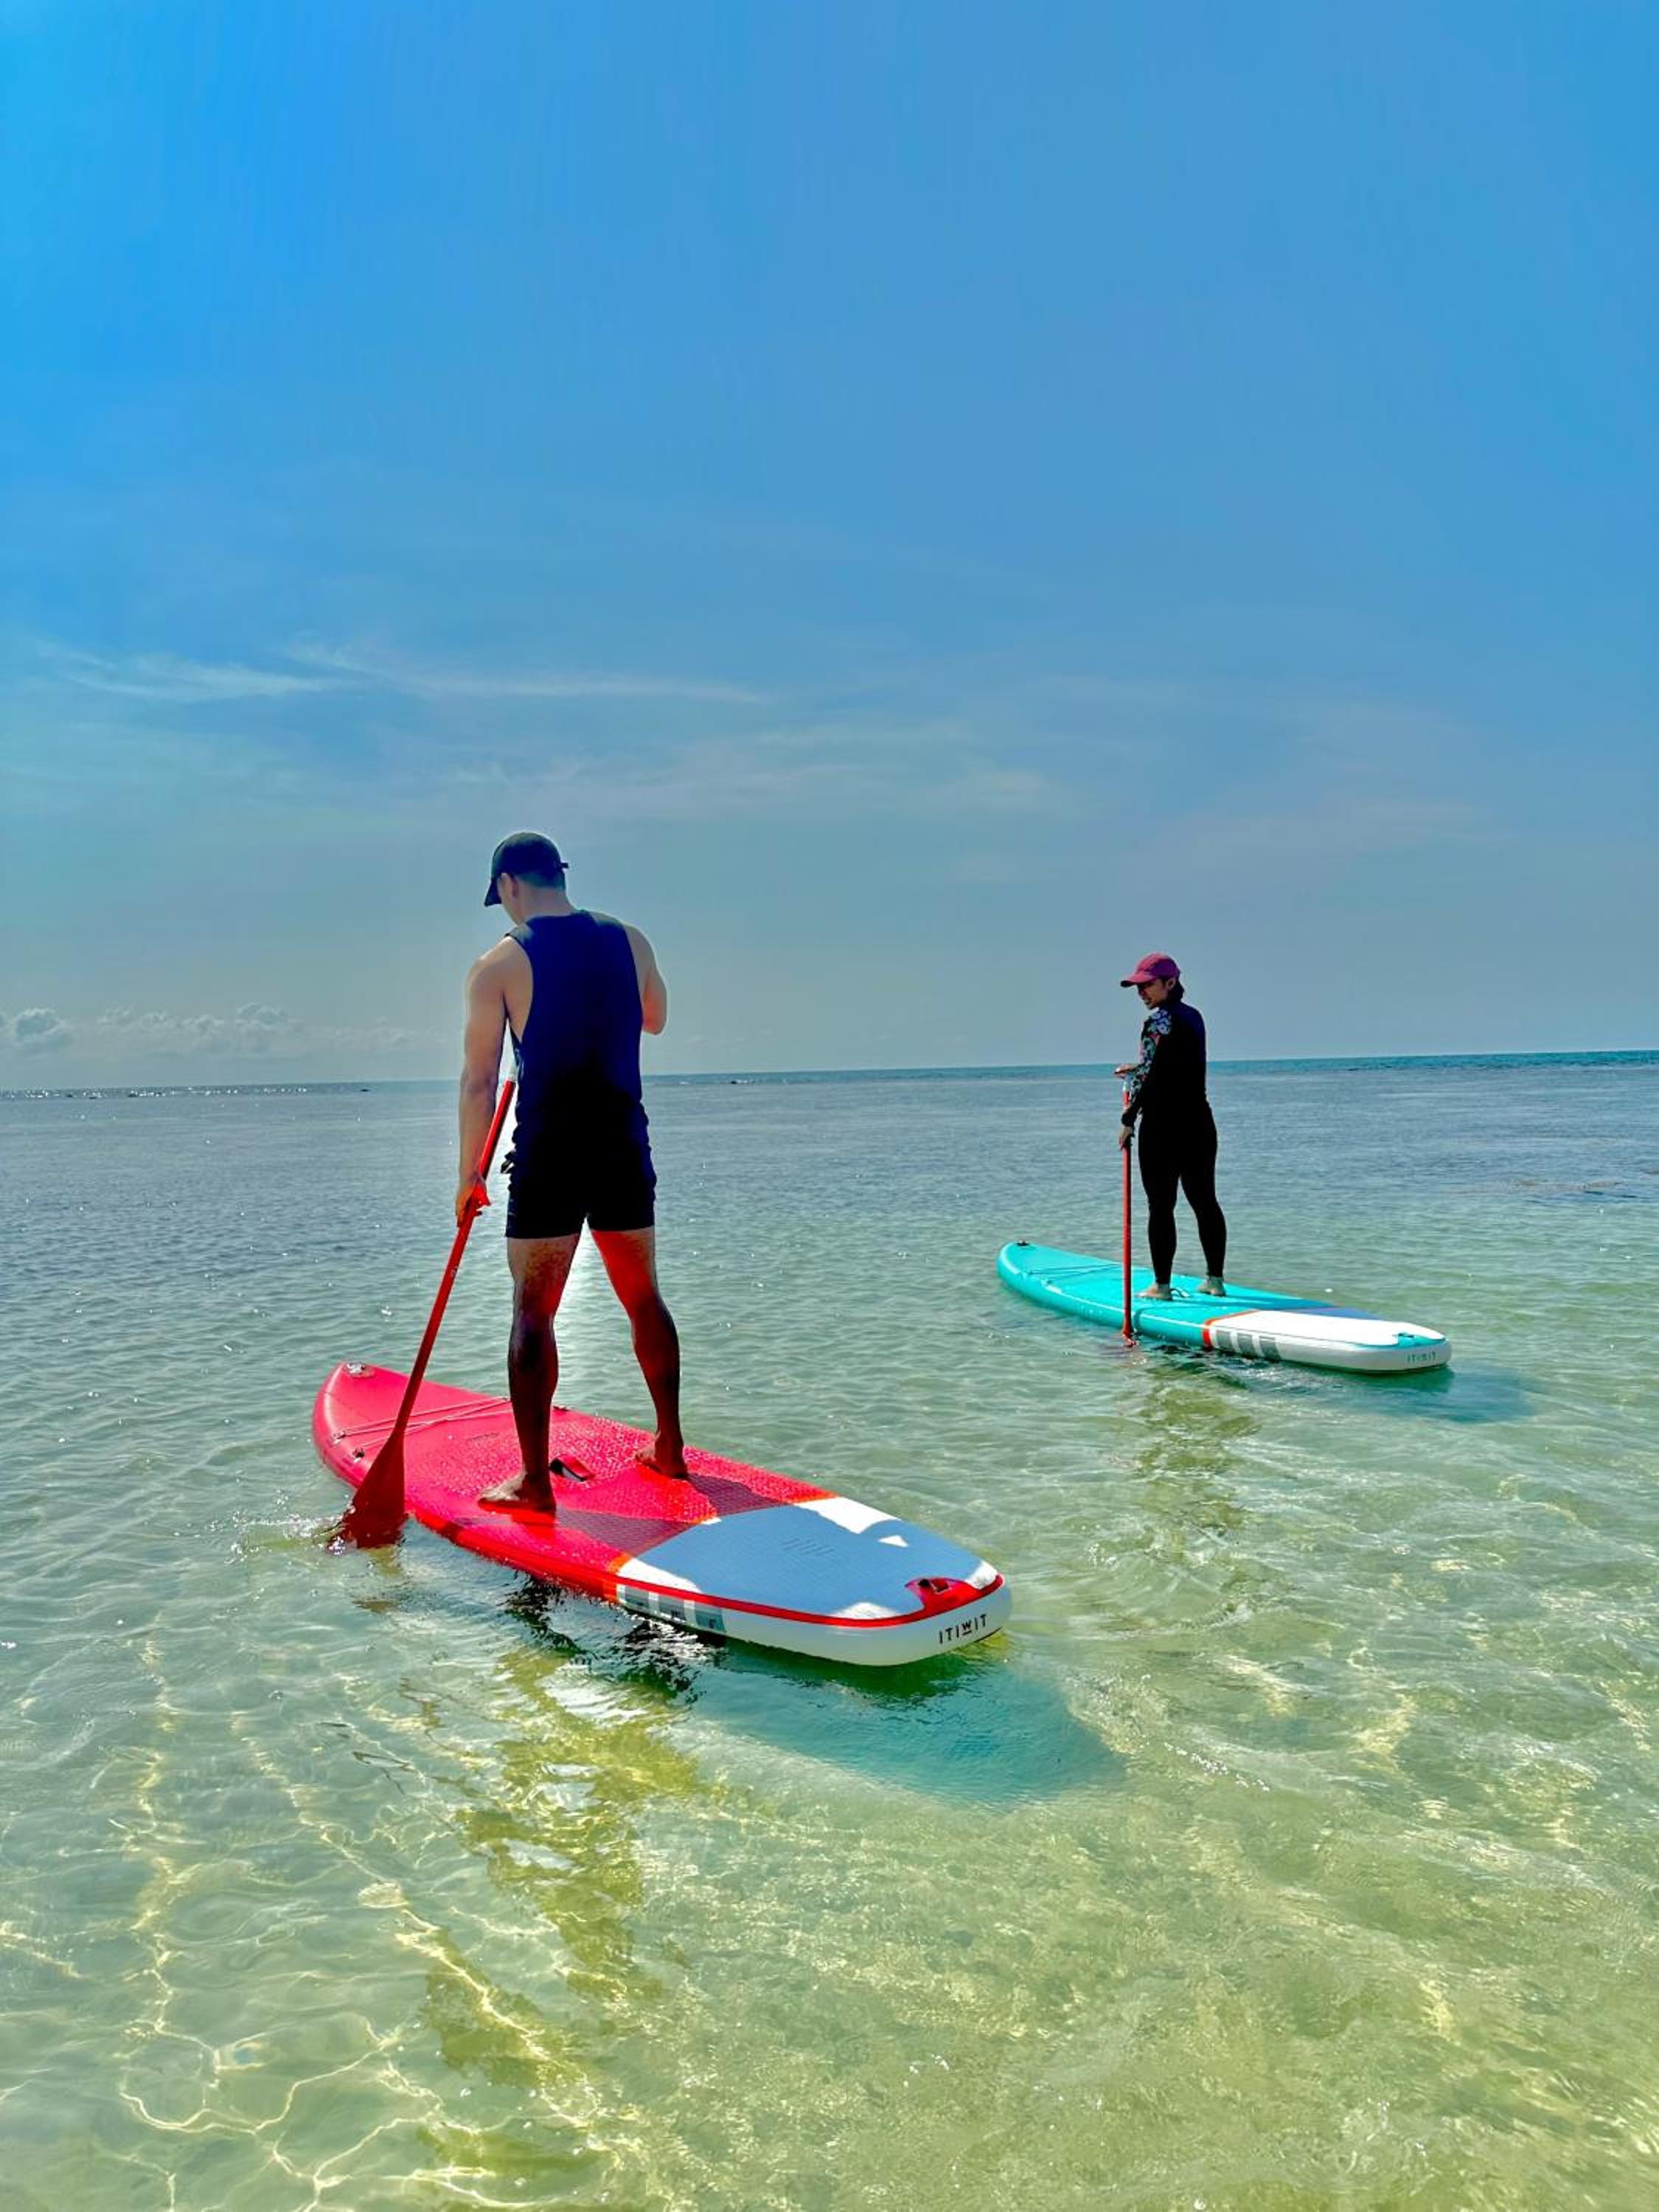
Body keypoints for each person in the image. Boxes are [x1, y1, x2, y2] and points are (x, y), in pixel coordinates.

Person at [456, 830, 686, 1511]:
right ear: (559, 875)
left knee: (533, 1310)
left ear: (508, 886)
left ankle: (534, 1484)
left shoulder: (498, 964)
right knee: (643, 1298)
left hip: (550, 1152)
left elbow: (479, 1080)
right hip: (622, 1144)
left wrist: (469, 1176)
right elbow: (655, 1019)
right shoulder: (630, 940)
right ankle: (670, 1446)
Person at [1115, 952, 1228, 1301]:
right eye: (1138, 987)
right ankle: (1215, 1281)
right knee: (1205, 1202)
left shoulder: (1157, 1021)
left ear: (1170, 982)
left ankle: (1161, 1287)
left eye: (1147, 985)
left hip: (1163, 1128)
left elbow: (1152, 1077)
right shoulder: (1194, 1018)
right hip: (1198, 1124)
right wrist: (1139, 1068)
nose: (1141, 993)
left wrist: (1128, 1118)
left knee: (1161, 1206)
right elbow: (1174, 1066)